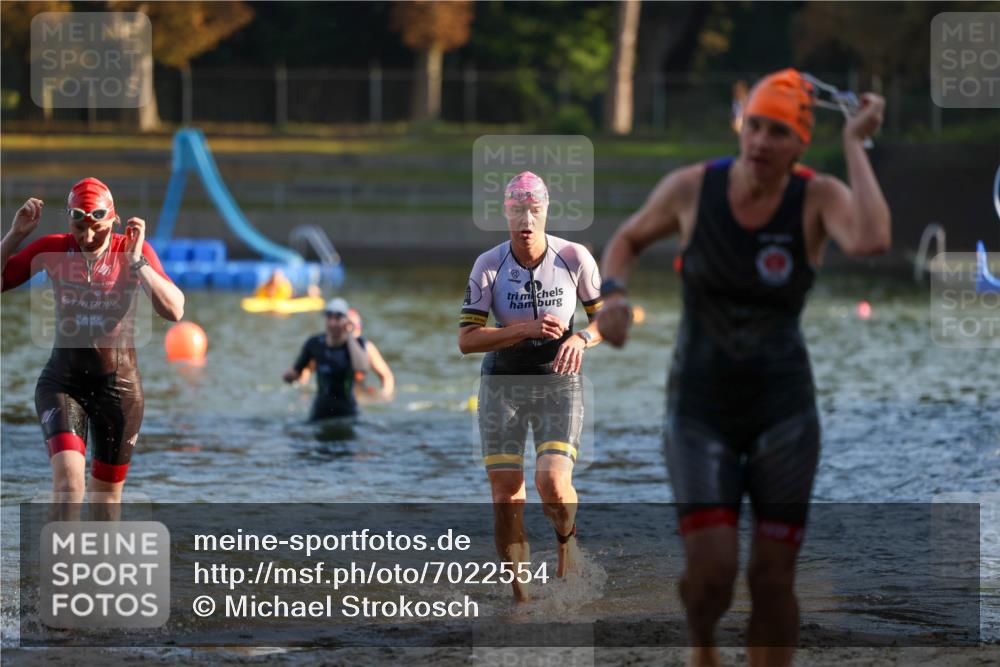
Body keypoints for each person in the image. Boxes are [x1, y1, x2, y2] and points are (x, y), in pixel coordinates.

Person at [597, 69, 891, 667]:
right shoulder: (690, 189)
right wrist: (614, 297)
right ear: (740, 125)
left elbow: (872, 239)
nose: (761, 143)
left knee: (772, 578)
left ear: (801, 144)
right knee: (712, 575)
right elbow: (626, 240)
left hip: (783, 412)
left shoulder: (816, 196)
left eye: (778, 133)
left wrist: (857, 144)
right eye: (754, 126)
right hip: (699, 410)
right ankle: (702, 646)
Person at [0, 178, 185, 520]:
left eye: (96, 228)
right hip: (62, 384)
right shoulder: (53, 248)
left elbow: (174, 310)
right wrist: (15, 235)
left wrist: (137, 263)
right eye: (78, 226)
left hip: (119, 388)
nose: (87, 238)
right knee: (70, 486)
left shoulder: (133, 251)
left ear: (113, 219)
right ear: (68, 220)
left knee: (104, 503)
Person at [458, 171, 604, 601]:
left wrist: (581, 337)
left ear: (546, 211)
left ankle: (566, 541)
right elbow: (466, 340)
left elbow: (606, 317)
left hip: (558, 382)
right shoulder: (489, 264)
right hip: (503, 384)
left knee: (553, 484)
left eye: (534, 210)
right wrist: (523, 330)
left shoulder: (574, 257)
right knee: (507, 496)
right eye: (518, 210)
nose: (526, 219)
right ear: (506, 212)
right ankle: (521, 599)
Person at [283, 297, 370, 420]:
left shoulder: (356, 343)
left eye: (338, 318)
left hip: (347, 411)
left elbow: (362, 368)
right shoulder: (315, 343)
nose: (332, 323)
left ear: (346, 320)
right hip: (321, 409)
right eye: (329, 317)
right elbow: (296, 371)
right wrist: (288, 377)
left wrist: (349, 334)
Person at [346, 308, 395, 402]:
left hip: (360, 395)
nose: (354, 329)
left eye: (358, 325)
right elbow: (308, 370)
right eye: (350, 325)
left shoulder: (367, 348)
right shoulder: (327, 346)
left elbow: (387, 376)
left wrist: (385, 394)